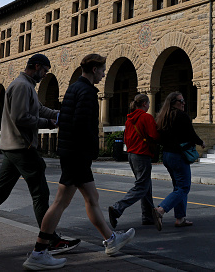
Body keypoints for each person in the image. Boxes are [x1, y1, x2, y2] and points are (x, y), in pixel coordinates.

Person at [23, 54, 134, 270]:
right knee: (60, 202)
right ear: (94, 70)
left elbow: (66, 118)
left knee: (92, 197)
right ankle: (39, 251)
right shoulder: (87, 92)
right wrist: (92, 149)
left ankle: (111, 240)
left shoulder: (74, 88)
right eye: (102, 70)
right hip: (77, 153)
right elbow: (82, 124)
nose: (103, 74)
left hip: (71, 152)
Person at [0, 54, 79, 258]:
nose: (44, 76)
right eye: (44, 71)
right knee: (40, 192)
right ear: (36, 66)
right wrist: (49, 124)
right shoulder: (22, 86)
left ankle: (50, 239)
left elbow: (38, 109)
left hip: (13, 148)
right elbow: (21, 117)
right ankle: (49, 240)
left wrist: (58, 115)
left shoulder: (26, 86)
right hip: (21, 148)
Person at [152, 92, 205, 231]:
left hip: (167, 156)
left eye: (183, 100)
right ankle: (161, 210)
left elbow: (159, 137)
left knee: (178, 186)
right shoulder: (181, 116)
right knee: (184, 187)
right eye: (181, 101)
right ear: (173, 102)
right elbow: (191, 134)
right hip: (178, 156)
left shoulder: (163, 117)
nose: (183, 103)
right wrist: (201, 142)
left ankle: (180, 218)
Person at [108, 94, 159, 229]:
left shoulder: (129, 119)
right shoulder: (146, 117)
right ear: (144, 104)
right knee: (142, 186)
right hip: (142, 154)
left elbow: (127, 138)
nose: (149, 106)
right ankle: (117, 208)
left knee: (145, 185)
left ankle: (147, 216)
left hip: (132, 154)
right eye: (148, 103)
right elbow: (154, 135)